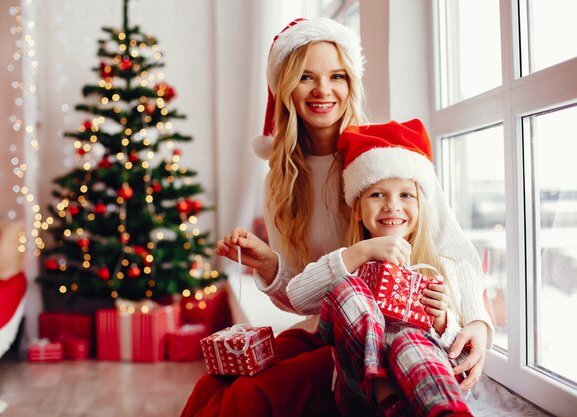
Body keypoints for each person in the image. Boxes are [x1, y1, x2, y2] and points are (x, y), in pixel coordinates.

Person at [181, 17, 489, 417]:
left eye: (337, 76)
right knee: (213, 383)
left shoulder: (385, 158)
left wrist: (478, 323)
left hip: (382, 340)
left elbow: (452, 248)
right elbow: (304, 295)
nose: (323, 90)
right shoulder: (280, 179)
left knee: (246, 399)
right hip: (328, 327)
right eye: (306, 76)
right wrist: (272, 266)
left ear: (351, 83)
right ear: (285, 87)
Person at [286, 119, 494, 416]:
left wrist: (441, 320)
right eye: (377, 194)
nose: (392, 206)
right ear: (357, 208)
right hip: (361, 396)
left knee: (410, 340)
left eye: (405, 195)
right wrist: (361, 251)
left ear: (421, 207)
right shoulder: (352, 263)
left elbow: (455, 348)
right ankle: (383, 393)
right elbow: (298, 295)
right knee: (350, 290)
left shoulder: (438, 267)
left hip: (422, 389)